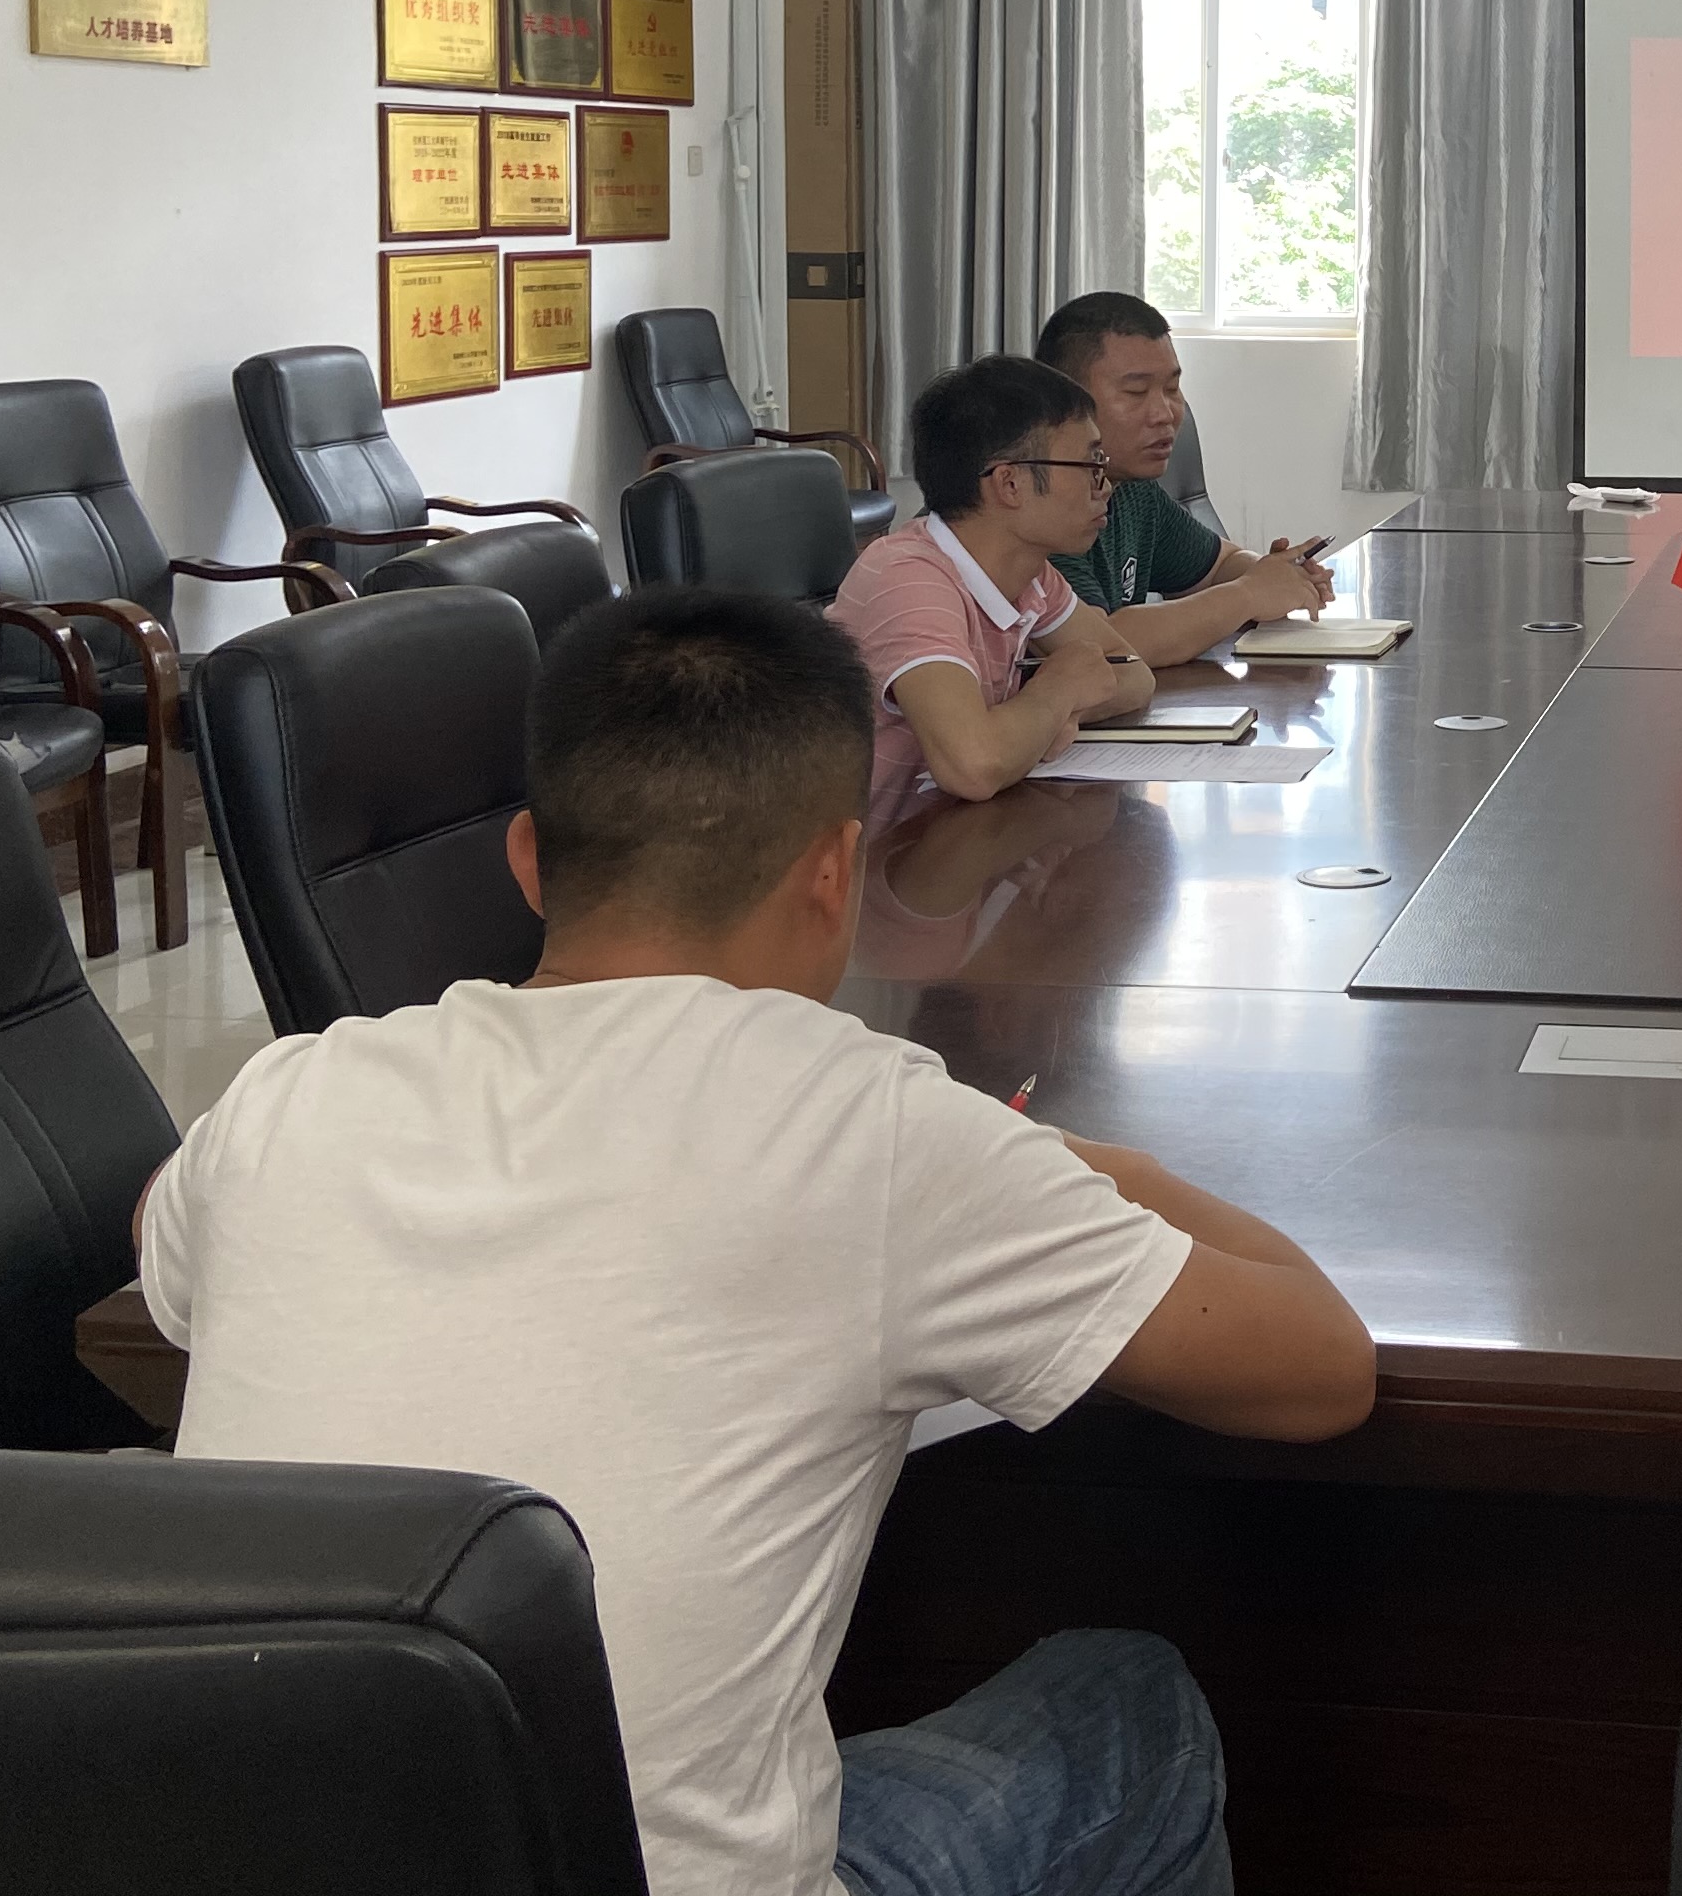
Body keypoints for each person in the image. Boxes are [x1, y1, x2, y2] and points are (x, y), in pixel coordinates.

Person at [139, 587, 1377, 1896]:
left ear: (528, 861)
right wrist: (1095, 1166)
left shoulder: (286, 1098)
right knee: (1131, 1708)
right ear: (837, 872)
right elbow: (1321, 1370)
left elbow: (161, 1247)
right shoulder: (875, 1134)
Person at [829, 355, 1159, 824]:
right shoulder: (907, 578)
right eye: (1089, 464)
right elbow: (974, 766)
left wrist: (1042, 719)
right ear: (1009, 483)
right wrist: (1055, 692)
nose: (1104, 486)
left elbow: (1132, 674)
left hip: (955, 837)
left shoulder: (1032, 574)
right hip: (871, 857)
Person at [1035, 290, 1338, 665]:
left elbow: (1219, 565)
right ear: (1066, 401)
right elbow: (1100, 645)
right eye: (1136, 392)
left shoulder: (1133, 491)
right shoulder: (1042, 505)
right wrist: (1249, 594)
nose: (1165, 413)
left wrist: (1277, 575)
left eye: (1172, 389)